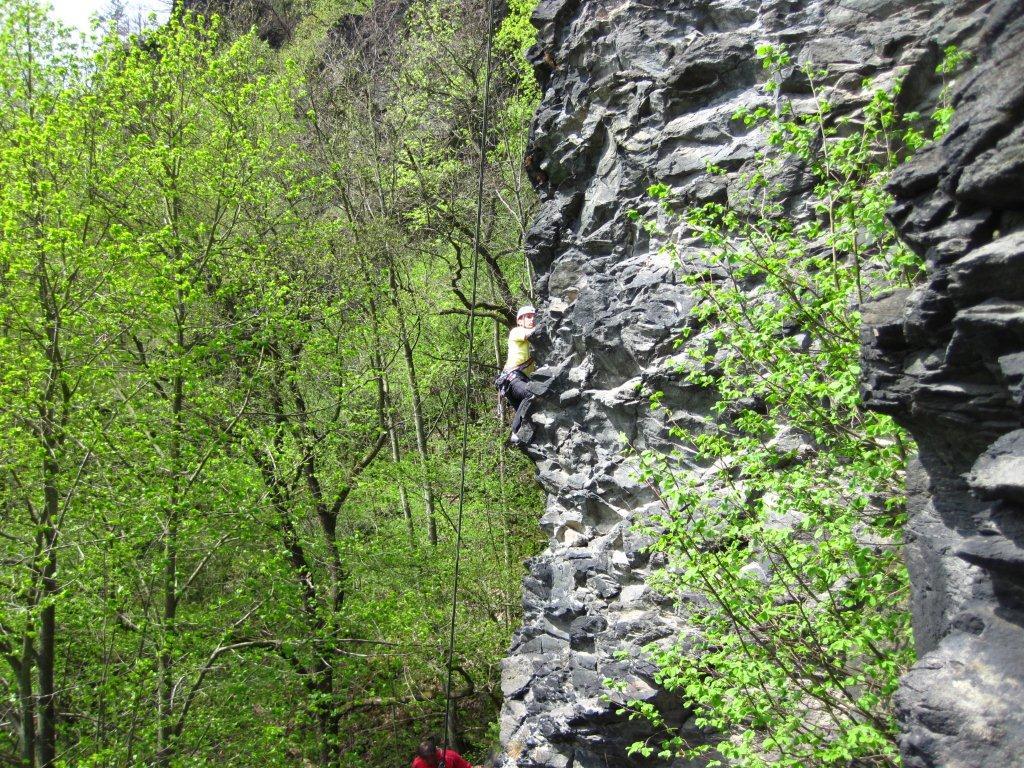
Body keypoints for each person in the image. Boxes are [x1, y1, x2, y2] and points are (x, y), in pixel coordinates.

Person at [495, 304, 537, 444]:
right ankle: (515, 431)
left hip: (519, 381)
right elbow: (530, 333)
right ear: (520, 320)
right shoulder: (517, 331)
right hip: (512, 379)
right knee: (531, 395)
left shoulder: (532, 345)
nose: (532, 319)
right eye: (528, 317)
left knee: (531, 412)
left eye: (533, 317)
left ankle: (523, 438)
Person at [411, 736, 477, 768]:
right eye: (425, 759)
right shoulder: (417, 763)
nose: (428, 761)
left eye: (430, 757)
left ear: (435, 752)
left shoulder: (450, 757)